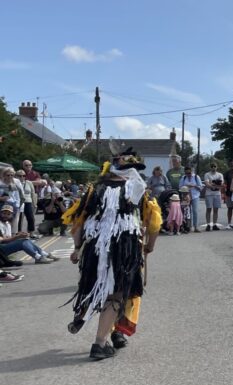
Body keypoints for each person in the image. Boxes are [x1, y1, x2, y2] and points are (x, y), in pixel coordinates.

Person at [63, 151, 162, 359]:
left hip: (95, 247)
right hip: (124, 247)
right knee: (117, 293)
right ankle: (100, 343)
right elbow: (154, 222)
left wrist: (77, 247)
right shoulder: (139, 189)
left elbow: (78, 221)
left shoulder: (94, 189)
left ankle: (87, 316)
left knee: (95, 283)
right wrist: (149, 246)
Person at [178, 166, 203, 232]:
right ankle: (189, 226)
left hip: (195, 196)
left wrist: (194, 186)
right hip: (186, 196)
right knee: (188, 212)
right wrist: (185, 187)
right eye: (186, 173)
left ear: (191, 171)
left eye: (189, 173)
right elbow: (180, 187)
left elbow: (201, 187)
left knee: (195, 211)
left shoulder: (196, 177)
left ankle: (196, 226)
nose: (188, 174)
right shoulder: (183, 178)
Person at [0, 167, 24, 232]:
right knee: (2, 226)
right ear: (4, 175)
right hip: (2, 206)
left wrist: (17, 206)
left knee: (14, 226)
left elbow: (18, 197)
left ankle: (12, 237)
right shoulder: (0, 184)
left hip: (13, 206)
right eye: (8, 175)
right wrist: (1, 198)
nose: (10, 176)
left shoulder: (15, 185)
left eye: (12, 175)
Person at [203, 163, 224, 231]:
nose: (213, 168)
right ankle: (208, 224)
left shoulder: (220, 175)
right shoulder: (207, 174)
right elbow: (207, 184)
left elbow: (221, 184)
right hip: (209, 194)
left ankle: (214, 224)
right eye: (212, 166)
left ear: (217, 167)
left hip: (217, 194)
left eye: (215, 166)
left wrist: (212, 184)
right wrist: (215, 185)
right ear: (210, 167)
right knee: (208, 209)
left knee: (216, 209)